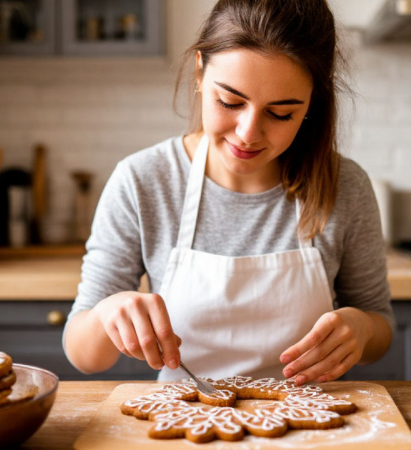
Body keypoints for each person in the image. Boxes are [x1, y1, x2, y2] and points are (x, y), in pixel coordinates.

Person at [63, 0, 393, 386]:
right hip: (186, 433)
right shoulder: (143, 181)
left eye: (281, 113)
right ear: (200, 71)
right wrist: (107, 314)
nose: (248, 133)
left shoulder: (345, 185)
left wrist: (362, 328)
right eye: (230, 102)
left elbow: (379, 325)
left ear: (312, 103)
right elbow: (82, 354)